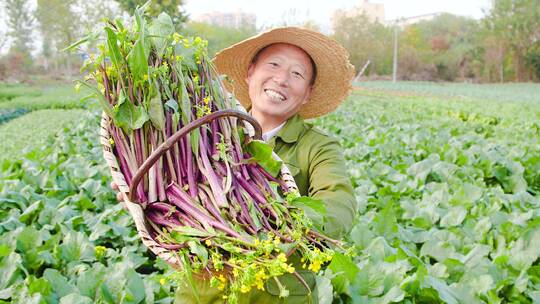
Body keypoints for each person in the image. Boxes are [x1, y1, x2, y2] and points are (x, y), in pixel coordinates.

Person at [114, 27, 357, 304]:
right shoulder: (205, 131)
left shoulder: (318, 146)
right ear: (250, 72)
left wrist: (290, 227)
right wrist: (142, 198)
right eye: (274, 65)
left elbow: (340, 200)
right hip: (202, 294)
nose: (281, 79)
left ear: (307, 93)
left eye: (297, 74)